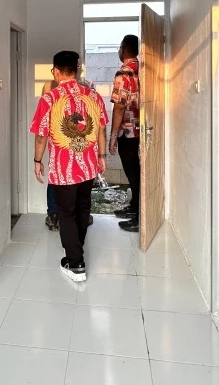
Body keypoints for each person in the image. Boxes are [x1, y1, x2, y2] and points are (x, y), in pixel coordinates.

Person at [30, 51, 108, 282]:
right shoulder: (93, 96)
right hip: (88, 165)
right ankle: (77, 249)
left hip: (63, 169)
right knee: (83, 208)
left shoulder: (49, 99)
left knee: (66, 213)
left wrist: (37, 161)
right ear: (77, 70)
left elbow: (41, 136)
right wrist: (101, 156)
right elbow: (101, 129)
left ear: (56, 71)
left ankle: (75, 263)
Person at [41, 75, 96, 231]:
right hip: (75, 141)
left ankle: (56, 215)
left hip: (64, 142)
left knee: (59, 177)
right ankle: (67, 214)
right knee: (75, 178)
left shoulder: (50, 86)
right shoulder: (85, 86)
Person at [109, 35, 141, 232]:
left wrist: (113, 136)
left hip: (127, 132)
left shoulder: (124, 72)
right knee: (136, 170)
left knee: (133, 172)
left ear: (124, 49)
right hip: (141, 129)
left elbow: (120, 107)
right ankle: (135, 206)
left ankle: (139, 216)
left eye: (120, 48)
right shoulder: (142, 70)